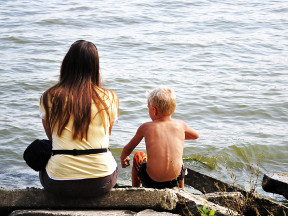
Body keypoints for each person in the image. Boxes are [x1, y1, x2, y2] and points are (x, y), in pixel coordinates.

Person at [39, 40, 119, 197]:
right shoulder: (109, 97)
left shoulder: (49, 96)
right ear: (95, 66)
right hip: (101, 181)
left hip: (58, 182)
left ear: (67, 63)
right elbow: (106, 134)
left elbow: (52, 138)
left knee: (43, 159)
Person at [120, 86, 199, 189]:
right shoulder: (180, 125)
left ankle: (135, 190)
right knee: (180, 161)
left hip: (151, 181)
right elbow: (196, 136)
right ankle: (181, 190)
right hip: (175, 180)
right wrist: (177, 137)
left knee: (138, 156)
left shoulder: (146, 127)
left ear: (154, 110)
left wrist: (123, 157)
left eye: (148, 108)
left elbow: (128, 148)